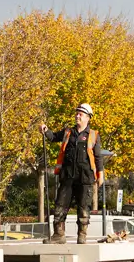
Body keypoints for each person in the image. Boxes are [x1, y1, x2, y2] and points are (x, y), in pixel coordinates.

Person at [39, 102, 104, 244]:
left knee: (83, 208)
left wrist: (100, 175)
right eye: (77, 113)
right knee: (60, 206)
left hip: (85, 178)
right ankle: (58, 235)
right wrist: (46, 130)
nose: (77, 116)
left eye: (81, 114)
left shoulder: (93, 135)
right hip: (67, 176)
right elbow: (53, 137)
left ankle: (82, 235)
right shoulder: (68, 132)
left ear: (88, 117)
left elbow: (98, 157)